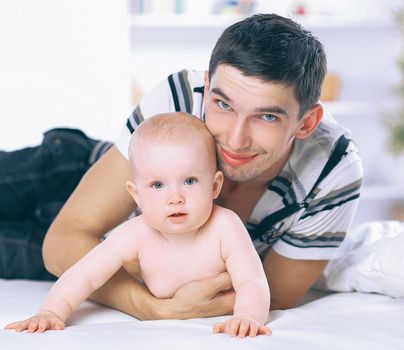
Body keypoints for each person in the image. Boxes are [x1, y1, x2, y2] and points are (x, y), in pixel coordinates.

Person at [2, 13, 363, 319]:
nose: (236, 140)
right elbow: (66, 236)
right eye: (223, 105)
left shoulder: (333, 170)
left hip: (103, 254)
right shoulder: (177, 97)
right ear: (206, 89)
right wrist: (151, 308)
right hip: (69, 175)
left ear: (307, 122)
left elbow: (271, 294)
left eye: (267, 116)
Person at [5, 113, 272, 337]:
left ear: (215, 186)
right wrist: (51, 312)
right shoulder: (136, 233)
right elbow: (84, 274)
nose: (175, 198)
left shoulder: (225, 227)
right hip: (66, 170)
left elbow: (252, 281)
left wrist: (248, 317)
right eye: (157, 185)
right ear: (136, 195)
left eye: (190, 181)